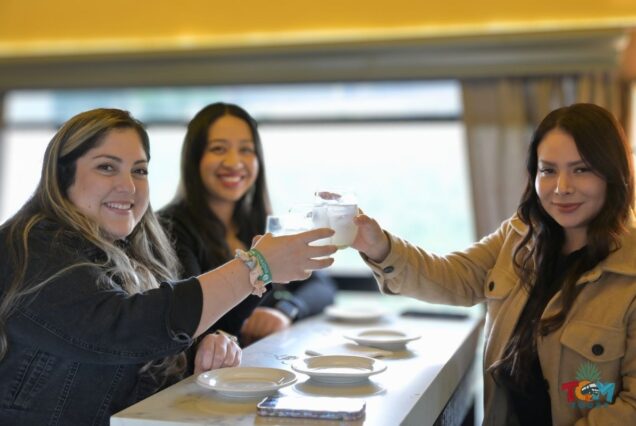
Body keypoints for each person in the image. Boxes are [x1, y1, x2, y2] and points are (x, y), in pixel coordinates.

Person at [0, 108, 336, 425]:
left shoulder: (136, 244)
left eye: (139, 170)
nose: (128, 186)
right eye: (106, 167)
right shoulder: (29, 244)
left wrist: (203, 347)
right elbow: (125, 328)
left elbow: (160, 344)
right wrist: (256, 266)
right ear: (62, 176)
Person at [351, 103, 636, 425]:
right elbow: (452, 277)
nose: (562, 188)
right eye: (548, 170)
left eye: (581, 169)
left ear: (613, 173)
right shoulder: (519, 236)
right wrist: (379, 246)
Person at [159, 102, 337, 354]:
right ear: (194, 157)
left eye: (246, 150)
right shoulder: (169, 229)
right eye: (218, 149)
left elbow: (322, 286)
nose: (234, 162)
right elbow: (191, 320)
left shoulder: (261, 223)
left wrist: (286, 311)